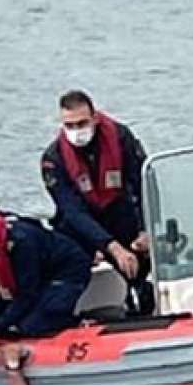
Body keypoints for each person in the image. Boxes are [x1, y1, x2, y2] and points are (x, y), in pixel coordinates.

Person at [40, 89, 155, 315]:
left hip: (118, 213)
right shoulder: (53, 160)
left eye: (81, 123)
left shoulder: (120, 138)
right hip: (81, 226)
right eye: (69, 125)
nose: (76, 131)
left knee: (141, 252)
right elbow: (73, 211)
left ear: (94, 118)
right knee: (71, 250)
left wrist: (145, 228)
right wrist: (111, 247)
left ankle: (142, 297)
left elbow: (141, 183)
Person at [0, 214, 90, 338]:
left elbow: (27, 294)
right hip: (41, 277)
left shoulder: (20, 242)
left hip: (67, 269)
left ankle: (81, 322)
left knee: (33, 324)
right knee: (18, 322)